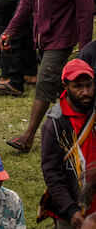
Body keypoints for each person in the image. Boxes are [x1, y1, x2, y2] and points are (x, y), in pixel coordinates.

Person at [1, 0, 94, 154]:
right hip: (41, 37)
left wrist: (83, 51)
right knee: (60, 88)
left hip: (62, 37)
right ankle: (75, 129)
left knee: (44, 82)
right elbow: (26, 2)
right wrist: (9, 31)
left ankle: (28, 136)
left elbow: (85, 6)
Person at [39, 58, 96, 227]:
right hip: (73, 207)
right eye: (78, 86)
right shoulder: (54, 124)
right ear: (65, 87)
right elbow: (52, 173)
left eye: (89, 85)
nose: (85, 92)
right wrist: (70, 209)